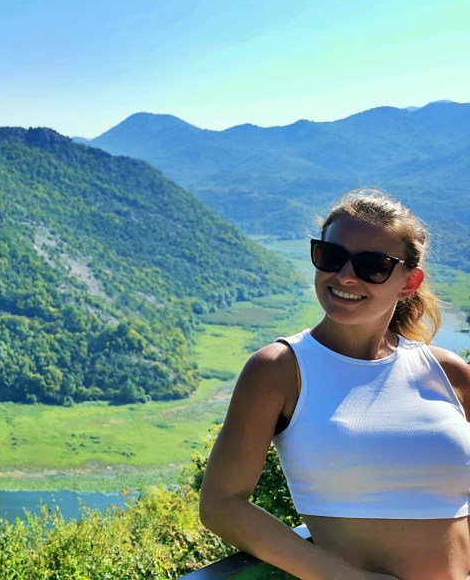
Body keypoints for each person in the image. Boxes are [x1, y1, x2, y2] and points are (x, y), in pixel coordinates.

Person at [200, 189, 470, 580]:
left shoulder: (448, 372)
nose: (344, 276)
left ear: (409, 282)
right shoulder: (279, 369)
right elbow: (221, 504)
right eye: (331, 256)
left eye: (373, 266)